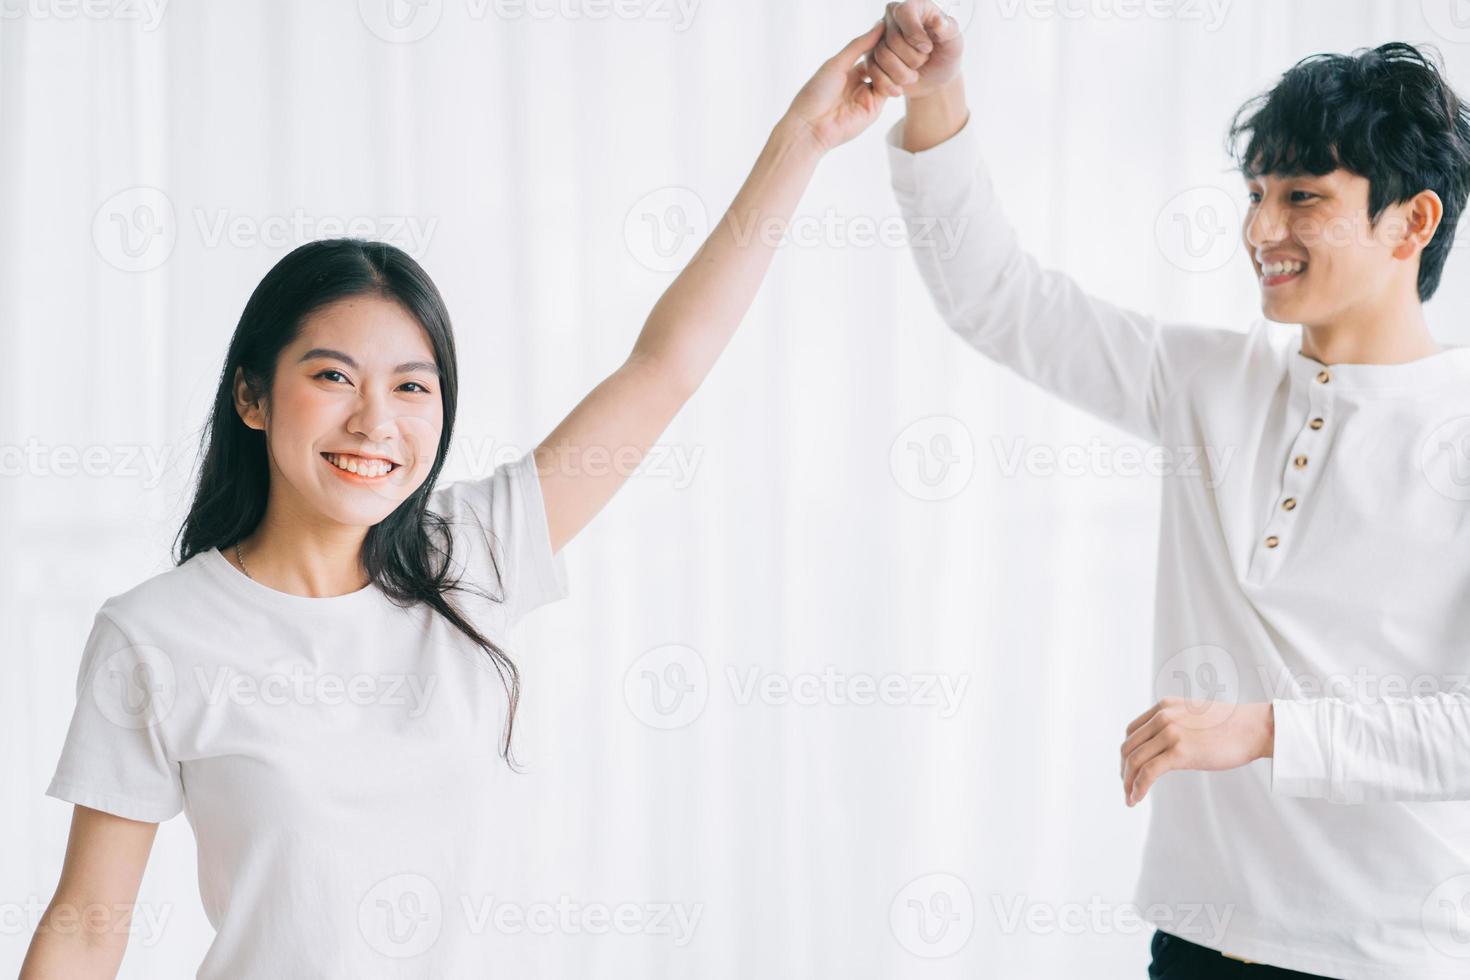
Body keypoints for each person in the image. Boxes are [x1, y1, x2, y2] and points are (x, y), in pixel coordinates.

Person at [22, 21, 896, 978]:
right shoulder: (157, 634)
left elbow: (666, 366)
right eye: (331, 377)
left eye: (410, 386)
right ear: (252, 396)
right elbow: (89, 923)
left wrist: (803, 140)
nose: (374, 423)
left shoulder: (472, 554)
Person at [872, 1, 1470, 976]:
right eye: (1255, 192)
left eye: (1304, 197)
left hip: (1393, 953)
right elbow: (994, 296)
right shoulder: (1206, 381)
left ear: (1411, 220)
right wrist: (937, 88)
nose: (1260, 228)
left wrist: (1265, 728)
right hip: (1201, 939)